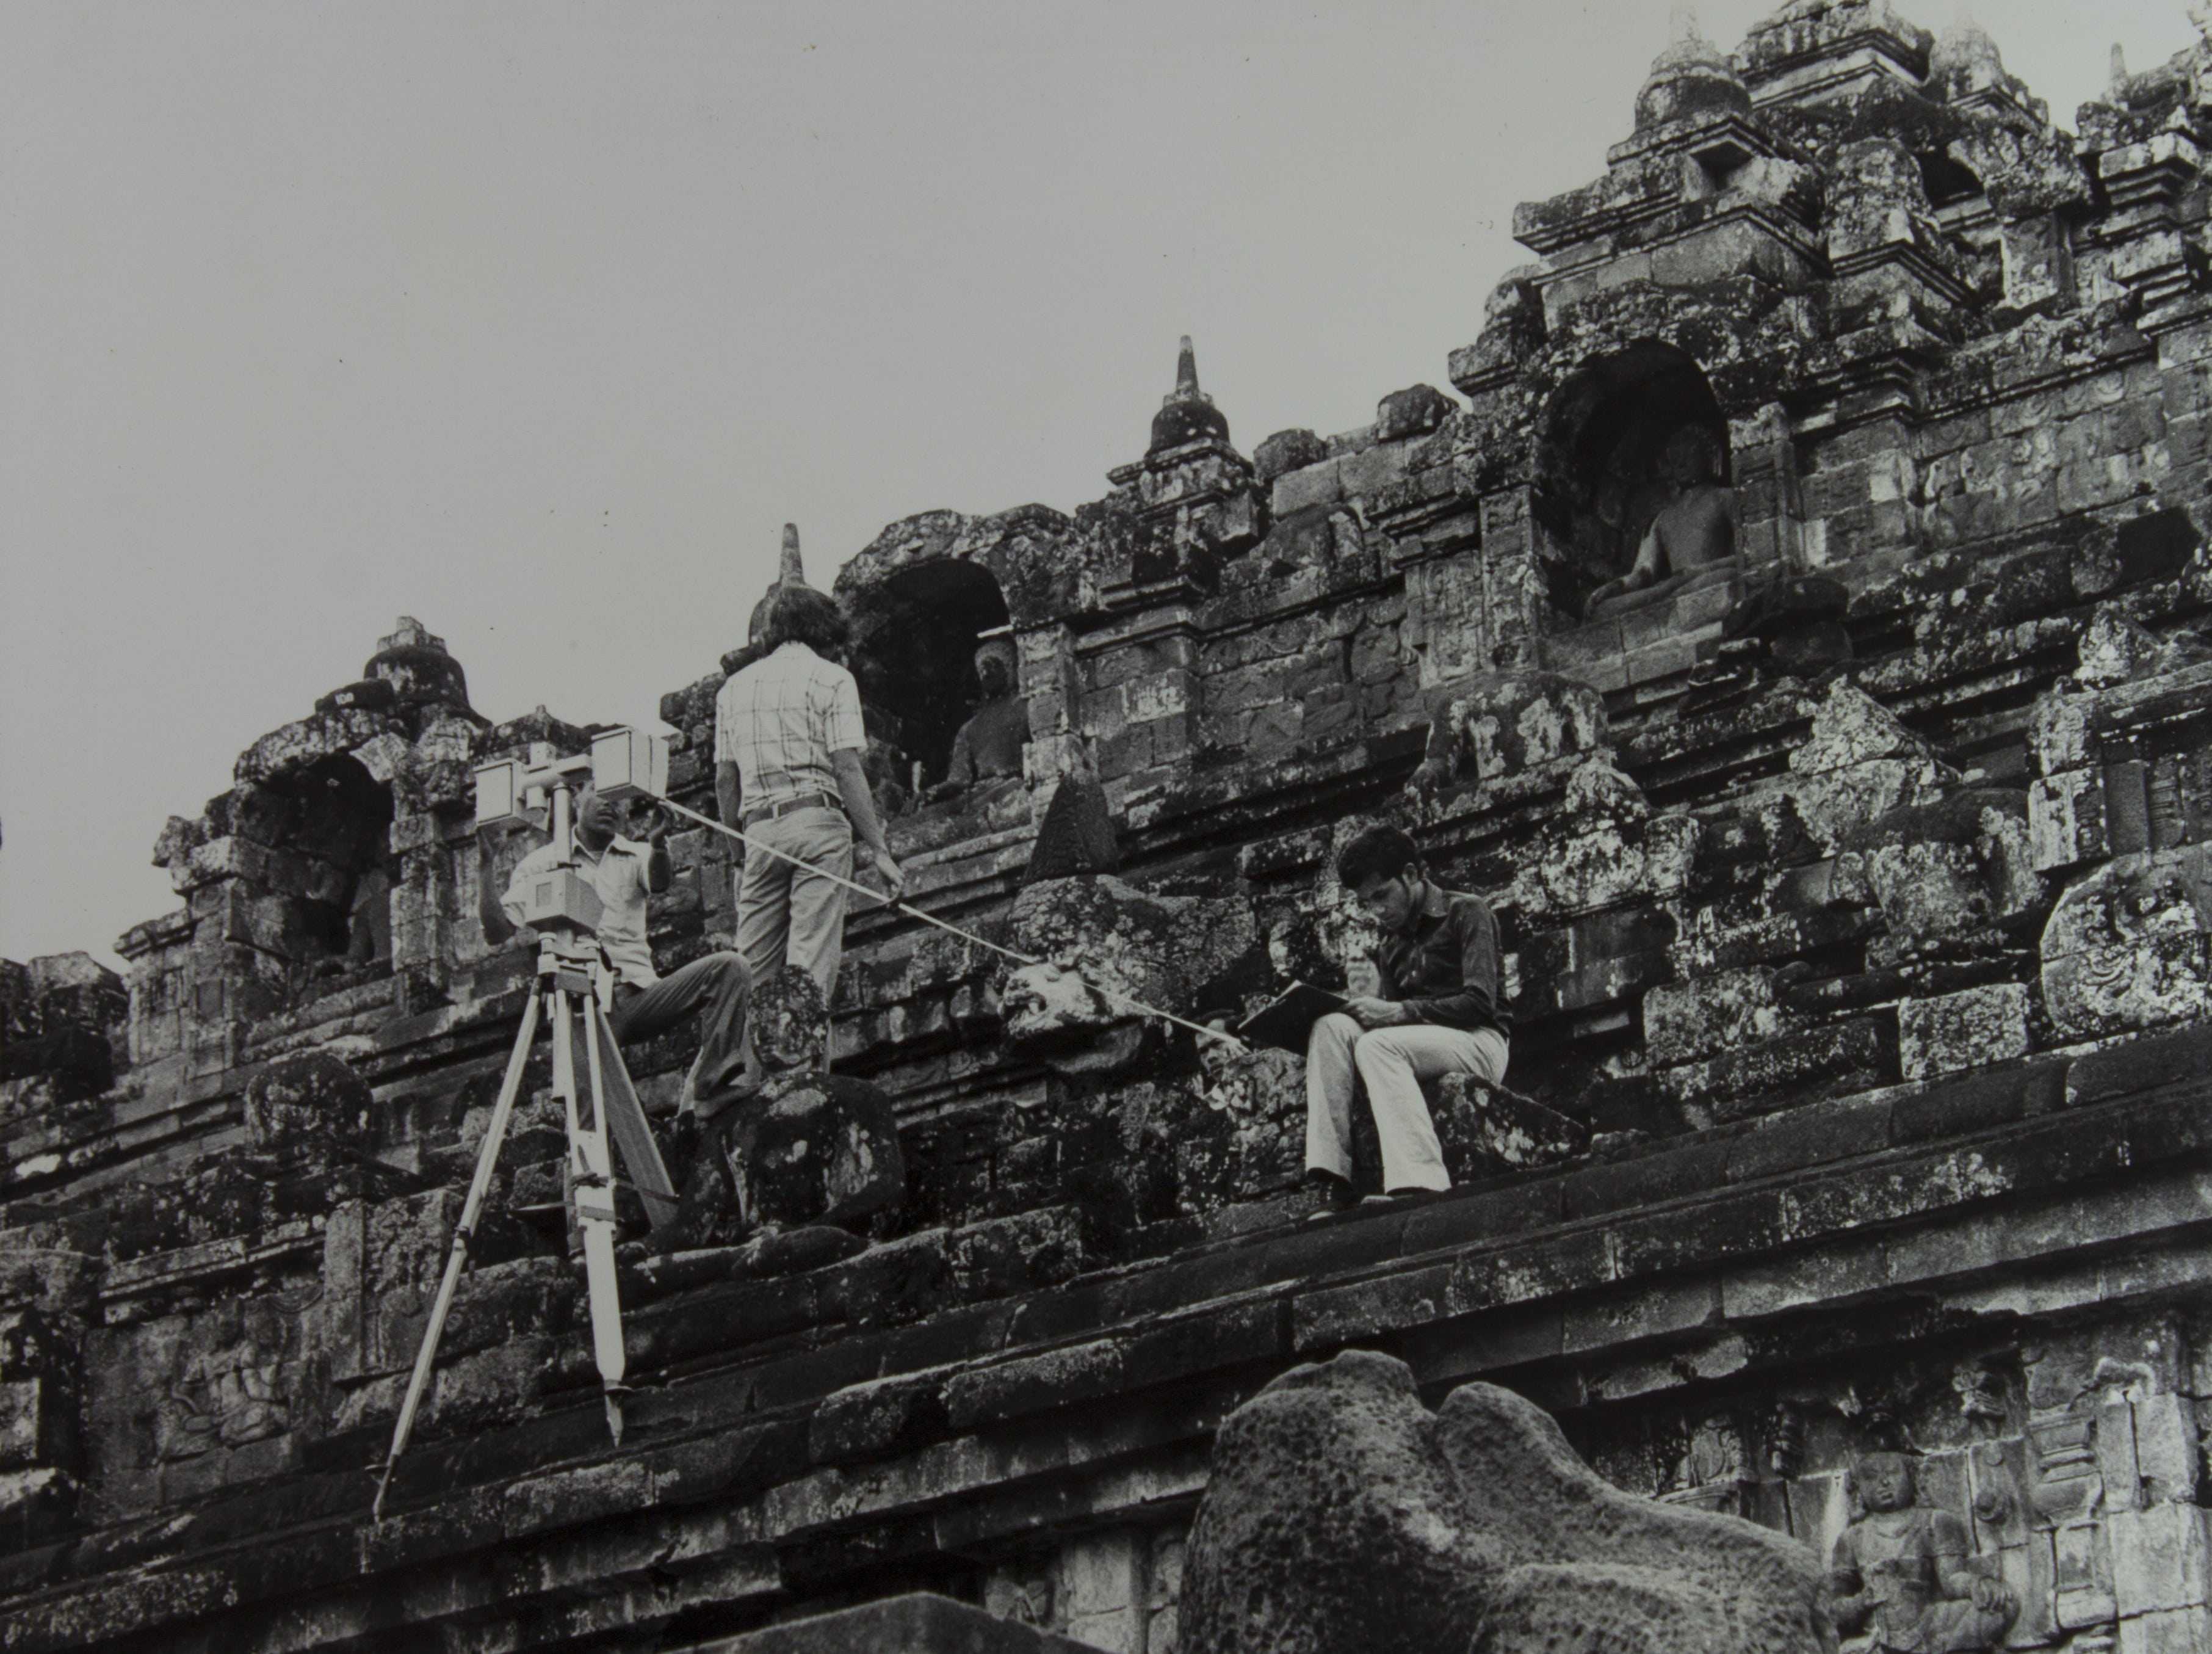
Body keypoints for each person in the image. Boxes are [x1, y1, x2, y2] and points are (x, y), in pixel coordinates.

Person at [480, 783, 754, 1120]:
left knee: (731, 968)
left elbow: (660, 881)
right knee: (589, 1117)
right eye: (599, 794)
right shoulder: (543, 863)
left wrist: (657, 844)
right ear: (576, 799)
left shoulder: (635, 854)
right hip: (582, 1004)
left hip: (640, 994)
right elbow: (497, 932)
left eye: (619, 799)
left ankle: (711, 1086)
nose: (610, 805)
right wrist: (485, 867)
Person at [715, 583, 905, 1007]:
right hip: (817, 824)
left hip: (760, 831)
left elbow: (726, 782)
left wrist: (738, 857)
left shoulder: (732, 690)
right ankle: (802, 1071)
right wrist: (879, 850)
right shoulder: (833, 678)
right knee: (808, 970)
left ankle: (751, 1073)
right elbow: (847, 767)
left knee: (752, 974)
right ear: (824, 632)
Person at [1306, 824, 1509, 1217]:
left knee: (1376, 1044)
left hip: (1480, 1043)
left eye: (1382, 896)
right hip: (1422, 1047)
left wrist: (1398, 1012)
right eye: (1366, 904)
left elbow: (1481, 1003)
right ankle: (1333, 1177)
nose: (1377, 911)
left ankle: (1420, 1180)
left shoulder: (1466, 911)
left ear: (1413, 875)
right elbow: (1397, 1024)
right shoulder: (1391, 944)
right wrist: (1371, 1003)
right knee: (1330, 1028)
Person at [1586, 424, 1738, 617]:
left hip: (1706, 579)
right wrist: (1616, 587)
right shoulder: (1662, 518)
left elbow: (1748, 554)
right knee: (1603, 610)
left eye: (1689, 455)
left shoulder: (1726, 498)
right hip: (1669, 589)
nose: (1681, 463)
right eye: (1675, 459)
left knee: (1726, 578)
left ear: (1710, 456)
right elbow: (1644, 572)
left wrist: (1697, 572)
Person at [925, 636, 1028, 803]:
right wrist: (933, 792)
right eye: (981, 669)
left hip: (1015, 787)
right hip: (981, 793)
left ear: (1009, 668)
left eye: (993, 666)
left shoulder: (1026, 708)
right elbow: (959, 780)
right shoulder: (968, 729)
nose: (986, 673)